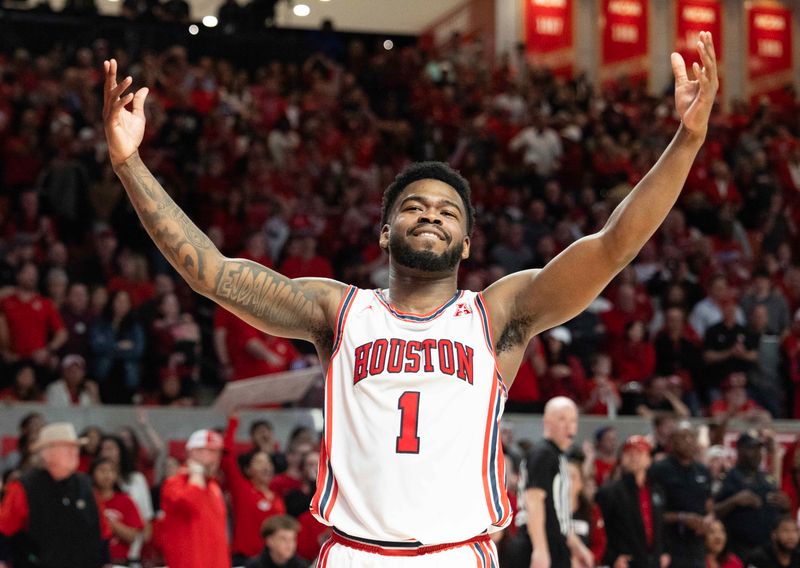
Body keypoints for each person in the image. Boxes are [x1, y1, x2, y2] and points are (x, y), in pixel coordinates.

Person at [102, 30, 719, 566]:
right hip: (352, 553)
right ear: (384, 231)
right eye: (413, 207)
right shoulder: (337, 311)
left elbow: (612, 247)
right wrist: (129, 163)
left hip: (458, 554)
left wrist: (686, 140)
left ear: (468, 242)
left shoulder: (499, 315)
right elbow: (213, 273)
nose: (430, 215)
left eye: (447, 211)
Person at [0, 422, 111, 568]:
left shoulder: (86, 485)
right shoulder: (23, 487)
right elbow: (4, 530)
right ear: (47, 453)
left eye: (75, 447)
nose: (74, 452)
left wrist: (105, 562)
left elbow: (102, 531)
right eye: (67, 447)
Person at [517, 397, 593, 568]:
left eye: (573, 420)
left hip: (555, 542)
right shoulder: (543, 453)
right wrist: (540, 549)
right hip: (539, 542)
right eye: (562, 419)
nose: (569, 426)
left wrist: (576, 545)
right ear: (547, 422)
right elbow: (534, 499)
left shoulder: (556, 455)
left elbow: (558, 513)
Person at [157, 429, 229, 568]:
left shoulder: (213, 486)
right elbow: (191, 504)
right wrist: (196, 473)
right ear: (194, 452)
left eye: (219, 453)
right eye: (213, 452)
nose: (217, 459)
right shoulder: (175, 483)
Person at [713, 432, 791, 560]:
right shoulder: (729, 478)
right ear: (739, 450)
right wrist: (734, 501)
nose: (757, 453)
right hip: (739, 549)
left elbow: (782, 514)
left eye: (759, 449)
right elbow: (713, 512)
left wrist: (785, 506)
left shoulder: (766, 478)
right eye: (751, 449)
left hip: (767, 550)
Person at [648, 422, 713, 568]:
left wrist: (709, 519)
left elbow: (709, 505)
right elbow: (651, 511)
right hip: (669, 545)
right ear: (672, 441)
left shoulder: (703, 471)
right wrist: (682, 517)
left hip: (697, 546)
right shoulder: (659, 470)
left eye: (691, 437)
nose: (688, 442)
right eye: (683, 437)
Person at [224, 413, 286, 564]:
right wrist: (233, 422)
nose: (266, 467)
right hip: (245, 560)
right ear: (248, 470)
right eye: (259, 462)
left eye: (268, 463)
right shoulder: (242, 489)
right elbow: (227, 457)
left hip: (272, 561)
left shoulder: (277, 497)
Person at [596, 435, 667, 568]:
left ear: (649, 459)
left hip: (653, 562)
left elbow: (661, 525)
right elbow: (599, 529)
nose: (634, 457)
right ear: (621, 459)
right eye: (629, 453)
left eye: (639, 452)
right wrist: (612, 557)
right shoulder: (609, 492)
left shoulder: (657, 491)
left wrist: (664, 551)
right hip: (626, 562)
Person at [90, 456, 145, 565]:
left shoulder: (126, 501)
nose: (107, 475)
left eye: (111, 471)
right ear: (92, 474)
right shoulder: (86, 501)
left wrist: (108, 523)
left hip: (119, 561)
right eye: (102, 470)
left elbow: (132, 537)